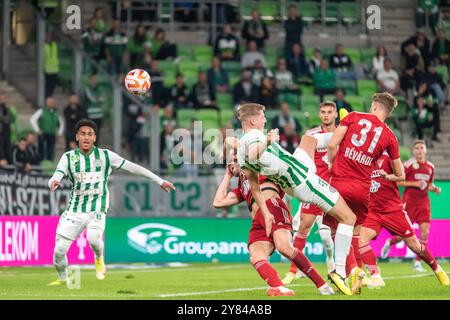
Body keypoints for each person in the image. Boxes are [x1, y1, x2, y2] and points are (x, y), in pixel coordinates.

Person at [235, 103, 357, 295]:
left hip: (296, 169)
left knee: (309, 140)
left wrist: (266, 213)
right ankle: (339, 272)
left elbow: (253, 184)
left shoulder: (241, 146)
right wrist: (267, 140)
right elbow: (254, 152)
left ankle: (347, 131)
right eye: (262, 116)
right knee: (349, 218)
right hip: (304, 181)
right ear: (252, 121)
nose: (264, 120)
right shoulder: (255, 136)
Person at [48, 119, 175, 285]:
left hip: (97, 208)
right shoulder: (68, 157)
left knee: (93, 239)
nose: (86, 137)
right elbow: (56, 174)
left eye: (90, 134)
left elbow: (133, 167)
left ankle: (99, 258)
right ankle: (63, 278)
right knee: (59, 251)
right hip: (74, 209)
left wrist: (159, 180)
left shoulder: (106, 156)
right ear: (77, 137)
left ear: (95, 138)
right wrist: (53, 182)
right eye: (83, 134)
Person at [213, 150, 334, 296]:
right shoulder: (241, 186)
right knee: (255, 257)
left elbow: (241, 144)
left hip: (273, 206)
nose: (231, 162)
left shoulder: (257, 165)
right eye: (229, 161)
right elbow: (218, 202)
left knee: (284, 247)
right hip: (258, 219)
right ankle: (280, 288)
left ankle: (323, 286)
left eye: (234, 158)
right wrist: (227, 175)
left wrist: (237, 150)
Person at [327, 92, 403, 294]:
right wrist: (384, 173)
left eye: (372, 105)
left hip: (340, 181)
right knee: (356, 230)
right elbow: (400, 173)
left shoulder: (352, 117)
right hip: (362, 188)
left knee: (336, 226)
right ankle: (356, 271)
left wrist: (331, 163)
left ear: (376, 106)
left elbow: (332, 144)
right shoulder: (390, 137)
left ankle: (342, 271)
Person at [359, 151, 449, 288]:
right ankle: (376, 276)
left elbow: (402, 176)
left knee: (414, 246)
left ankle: (437, 269)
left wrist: (389, 177)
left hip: (393, 211)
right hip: (373, 211)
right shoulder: (362, 160)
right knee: (361, 240)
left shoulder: (388, 158)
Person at [283, 101, 338, 285]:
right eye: (323, 112)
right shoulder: (310, 135)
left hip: (336, 188)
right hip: (315, 189)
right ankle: (293, 270)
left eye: (330, 112)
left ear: (335, 114)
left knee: (338, 231)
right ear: (319, 114)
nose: (326, 115)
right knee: (303, 227)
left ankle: (342, 268)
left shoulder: (343, 134)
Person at [381, 140, 443, 273]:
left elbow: (428, 184)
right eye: (417, 148)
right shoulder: (408, 165)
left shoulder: (430, 167)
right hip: (409, 203)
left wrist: (435, 189)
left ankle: (417, 262)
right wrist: (416, 184)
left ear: (425, 150)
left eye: (422, 148)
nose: (419, 150)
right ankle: (390, 243)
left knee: (425, 234)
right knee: (405, 235)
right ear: (413, 151)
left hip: (424, 203)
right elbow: (399, 181)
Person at [30, 97, 64, 161]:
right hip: (43, 134)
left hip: (52, 134)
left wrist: (59, 133)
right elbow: (32, 119)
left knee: (50, 151)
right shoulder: (41, 111)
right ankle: (41, 164)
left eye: (51, 102)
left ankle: (49, 163)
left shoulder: (56, 113)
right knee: (41, 150)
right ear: (46, 103)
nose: (50, 104)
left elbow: (61, 123)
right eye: (49, 102)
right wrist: (37, 130)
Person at [84, 74, 105, 139]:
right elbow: (93, 99)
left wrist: (98, 99)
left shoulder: (99, 89)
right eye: (93, 79)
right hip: (91, 116)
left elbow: (103, 98)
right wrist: (98, 99)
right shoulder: (87, 89)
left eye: (95, 80)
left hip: (99, 115)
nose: (94, 81)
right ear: (89, 81)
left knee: (97, 136)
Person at [44, 31, 60, 98]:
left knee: (52, 86)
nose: (48, 38)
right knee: (48, 86)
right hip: (47, 69)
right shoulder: (43, 46)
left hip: (55, 69)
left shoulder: (54, 44)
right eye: (46, 36)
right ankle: (47, 98)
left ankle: (49, 98)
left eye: (48, 36)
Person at [0, 95, 12, 167]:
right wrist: (5, 119)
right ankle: (2, 159)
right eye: (1, 99)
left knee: (7, 146)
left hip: (7, 131)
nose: (2, 100)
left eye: (3, 99)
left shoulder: (7, 108)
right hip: (0, 132)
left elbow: (11, 118)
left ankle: (8, 160)